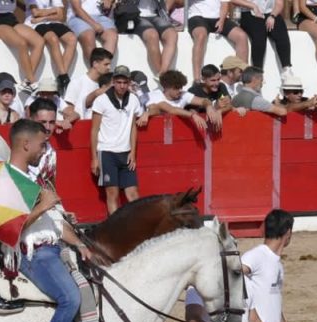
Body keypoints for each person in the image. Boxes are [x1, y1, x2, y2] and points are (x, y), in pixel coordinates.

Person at [11, 119, 90, 322]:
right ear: (25, 144)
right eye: (41, 145)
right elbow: (10, 226)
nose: (44, 151)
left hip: (54, 247)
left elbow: (55, 225)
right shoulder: (9, 178)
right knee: (70, 297)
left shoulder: (32, 179)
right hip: (36, 255)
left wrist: (80, 245)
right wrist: (44, 206)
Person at [90, 65, 142, 214]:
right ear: (113, 82)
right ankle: (117, 230)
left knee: (133, 193)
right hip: (107, 152)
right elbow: (94, 130)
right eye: (119, 82)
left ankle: (139, 226)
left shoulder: (133, 100)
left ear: (129, 82)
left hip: (125, 152)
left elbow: (133, 127)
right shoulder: (101, 100)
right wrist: (93, 158)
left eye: (125, 83)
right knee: (112, 193)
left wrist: (132, 152)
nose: (122, 86)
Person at [0, 0, 45, 93]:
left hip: (11, 18)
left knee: (39, 42)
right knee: (21, 43)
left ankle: (27, 82)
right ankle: (33, 81)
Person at [187, 0, 249, 84]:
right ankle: (197, 78)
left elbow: (224, 4)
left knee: (241, 36)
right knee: (201, 36)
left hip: (218, 17)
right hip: (197, 16)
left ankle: (242, 75)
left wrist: (222, 20)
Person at [145, 69, 222, 133]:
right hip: (154, 133)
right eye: (176, 88)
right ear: (166, 87)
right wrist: (192, 115)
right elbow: (172, 109)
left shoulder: (183, 94)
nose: (180, 90)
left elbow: (204, 100)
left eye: (181, 87)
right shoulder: (154, 96)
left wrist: (208, 106)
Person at [25, 0, 77, 94]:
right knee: (53, 38)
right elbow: (35, 12)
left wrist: (42, 16)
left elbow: (60, 15)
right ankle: (64, 76)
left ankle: (61, 77)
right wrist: (53, 10)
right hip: (35, 24)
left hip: (52, 22)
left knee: (72, 39)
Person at [232, 0, 293, 74]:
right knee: (259, 33)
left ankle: (286, 69)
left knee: (280, 28)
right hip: (249, 12)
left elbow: (279, 3)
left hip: (269, 13)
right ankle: (257, 70)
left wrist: (272, 16)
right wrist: (252, 6)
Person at [61, 46, 112, 123]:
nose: (109, 68)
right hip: (80, 128)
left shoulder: (103, 85)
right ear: (95, 64)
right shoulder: (77, 82)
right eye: (106, 64)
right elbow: (68, 110)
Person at [129, 0, 178, 78]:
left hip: (156, 14)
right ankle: (162, 76)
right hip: (134, 15)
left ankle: (163, 72)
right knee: (152, 35)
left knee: (172, 34)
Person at [67, 0, 118, 65]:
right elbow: (77, 8)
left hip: (100, 16)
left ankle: (104, 67)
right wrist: (93, 24)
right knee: (88, 36)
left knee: (112, 36)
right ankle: (96, 69)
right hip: (77, 16)